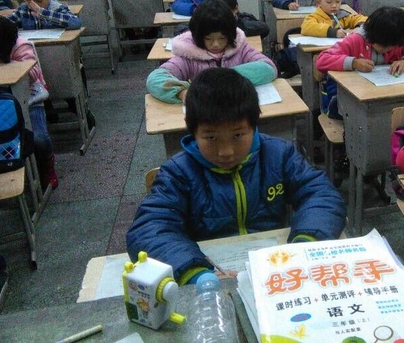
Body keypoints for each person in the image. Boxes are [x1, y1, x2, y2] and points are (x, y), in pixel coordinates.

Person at [128, 67, 346, 282]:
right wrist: (194, 272)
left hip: (276, 268)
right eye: (211, 138)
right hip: (210, 272)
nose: (226, 151)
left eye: (238, 135)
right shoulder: (178, 172)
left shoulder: (278, 155)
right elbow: (150, 228)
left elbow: (321, 195)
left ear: (253, 126)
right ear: (193, 131)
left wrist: (305, 243)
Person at [147, 0, 277, 104]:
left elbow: (268, 68)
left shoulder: (239, 48)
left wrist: (221, 78)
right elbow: (155, 79)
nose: (216, 44)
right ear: (198, 36)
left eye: (222, 38)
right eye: (208, 38)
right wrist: (181, 92)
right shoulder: (188, 55)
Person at [0, 15, 58, 189]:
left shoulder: (21, 45)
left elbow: (32, 73)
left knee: (39, 139)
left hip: (29, 98)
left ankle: (47, 163)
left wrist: (5, 62)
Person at [316, 6, 404, 75]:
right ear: (371, 35)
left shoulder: (397, 39)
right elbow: (322, 60)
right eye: (382, 45)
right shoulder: (355, 40)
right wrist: (354, 63)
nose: (385, 50)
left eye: (390, 47)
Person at [301, 0, 367, 37]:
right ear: (318, 3)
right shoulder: (315, 17)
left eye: (338, 1)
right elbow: (306, 27)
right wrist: (333, 32)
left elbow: (364, 19)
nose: (334, 5)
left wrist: (358, 28)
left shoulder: (343, 16)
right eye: (329, 2)